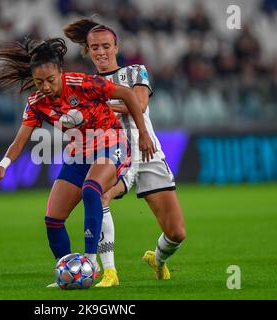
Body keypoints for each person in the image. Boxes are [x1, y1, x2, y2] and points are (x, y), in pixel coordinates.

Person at [0, 37, 155, 287]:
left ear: (60, 73)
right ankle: (70, 271)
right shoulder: (36, 103)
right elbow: (19, 141)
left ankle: (90, 261)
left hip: (111, 142)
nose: (46, 86)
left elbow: (128, 94)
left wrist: (144, 133)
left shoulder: (82, 83)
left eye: (51, 80)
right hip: (79, 152)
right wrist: (1, 167)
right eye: (39, 82)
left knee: (91, 189)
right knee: (53, 219)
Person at [64, 18, 186, 287]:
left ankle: (158, 259)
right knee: (100, 195)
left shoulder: (135, 72)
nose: (100, 51)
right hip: (113, 155)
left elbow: (139, 105)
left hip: (147, 151)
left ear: (116, 46)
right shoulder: (85, 84)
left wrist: (99, 107)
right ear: (87, 50)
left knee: (176, 232)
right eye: (94, 47)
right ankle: (107, 271)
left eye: (106, 45)